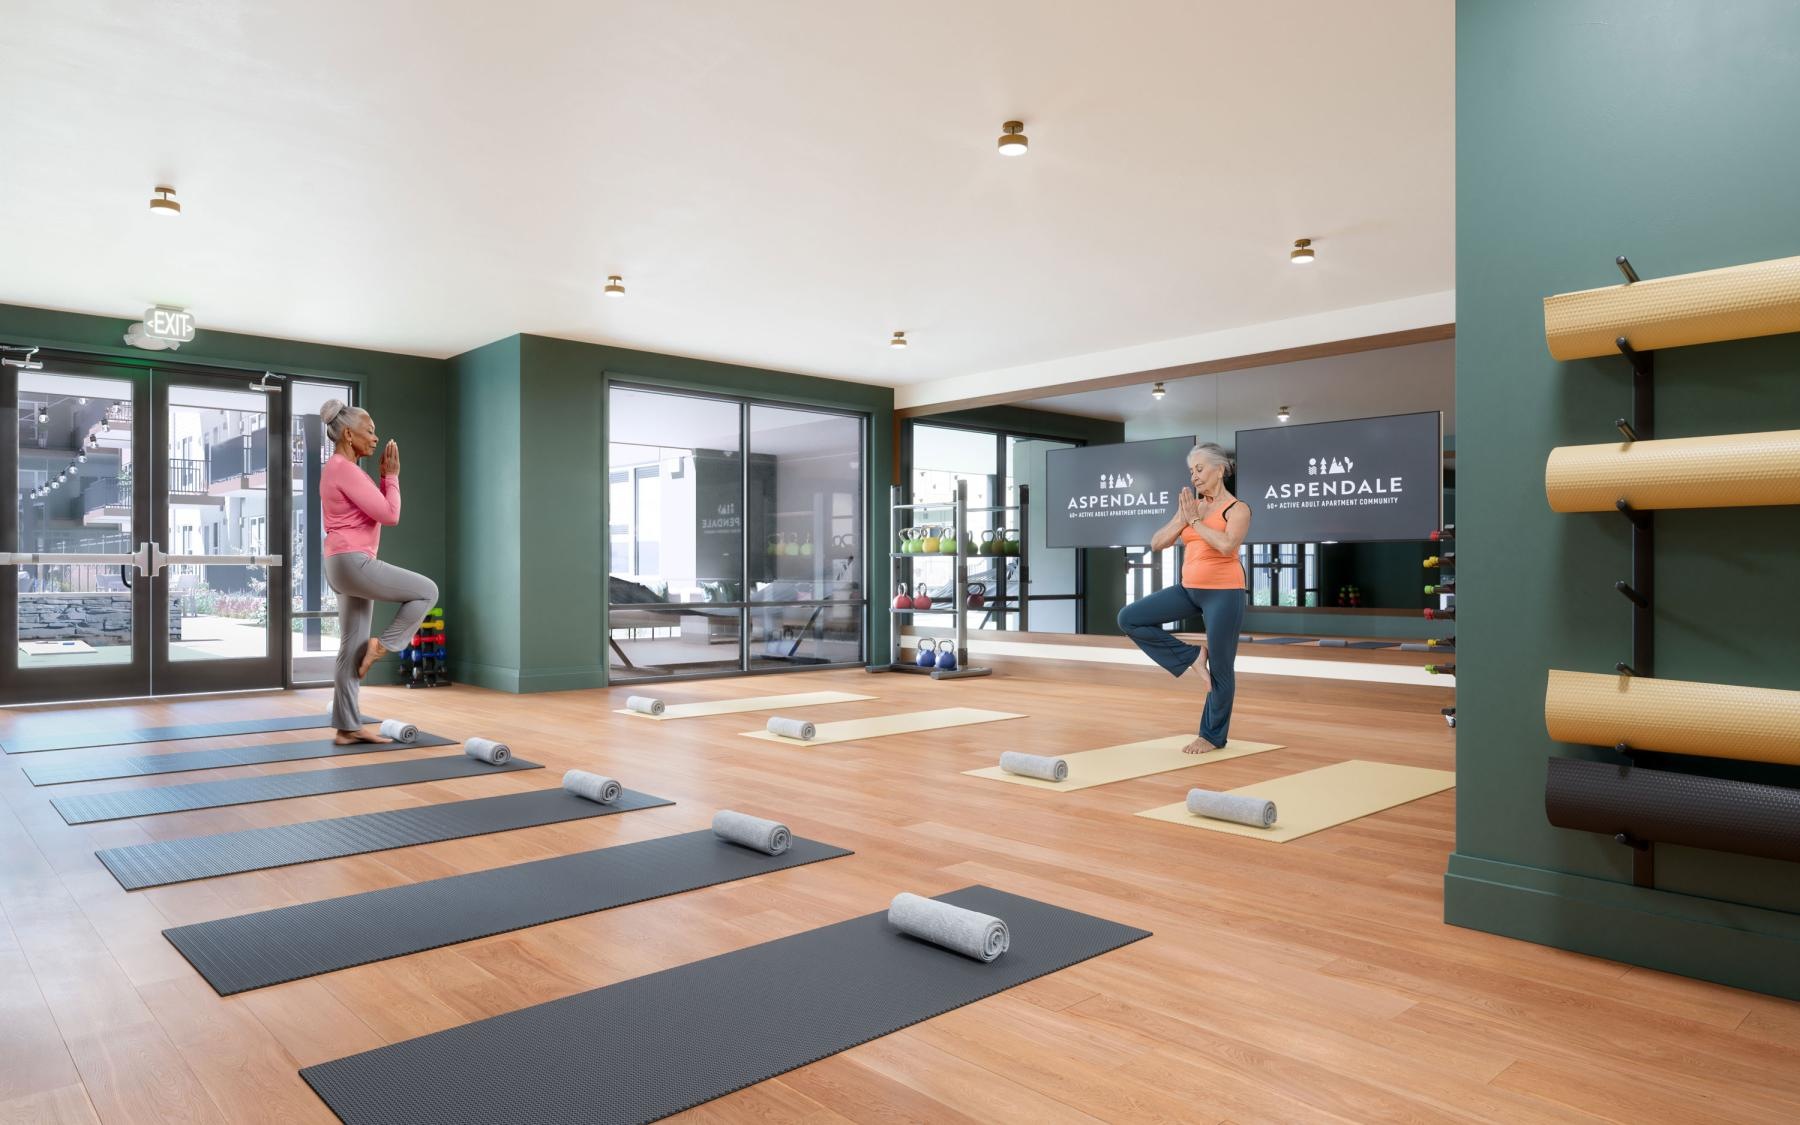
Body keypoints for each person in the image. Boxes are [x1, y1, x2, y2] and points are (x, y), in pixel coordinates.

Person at [1117, 442, 1252, 754]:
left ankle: (1212, 736)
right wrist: (1183, 519)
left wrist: (1194, 523)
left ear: (1220, 469)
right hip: (1188, 590)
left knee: (1221, 666)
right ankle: (1191, 656)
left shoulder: (1238, 509)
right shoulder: (1192, 508)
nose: (1195, 476)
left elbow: (1226, 545)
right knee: (1129, 618)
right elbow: (1156, 542)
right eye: (1192, 471)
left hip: (1224, 593)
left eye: (1200, 469)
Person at [319, 400, 437, 744]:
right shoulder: (346, 469)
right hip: (353, 562)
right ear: (347, 433)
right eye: (369, 431)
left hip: (338, 563)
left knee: (349, 647)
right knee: (427, 591)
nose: (375, 438)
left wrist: (384, 479)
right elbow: (390, 514)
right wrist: (392, 477)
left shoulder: (336, 468)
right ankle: (382, 646)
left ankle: (347, 727)